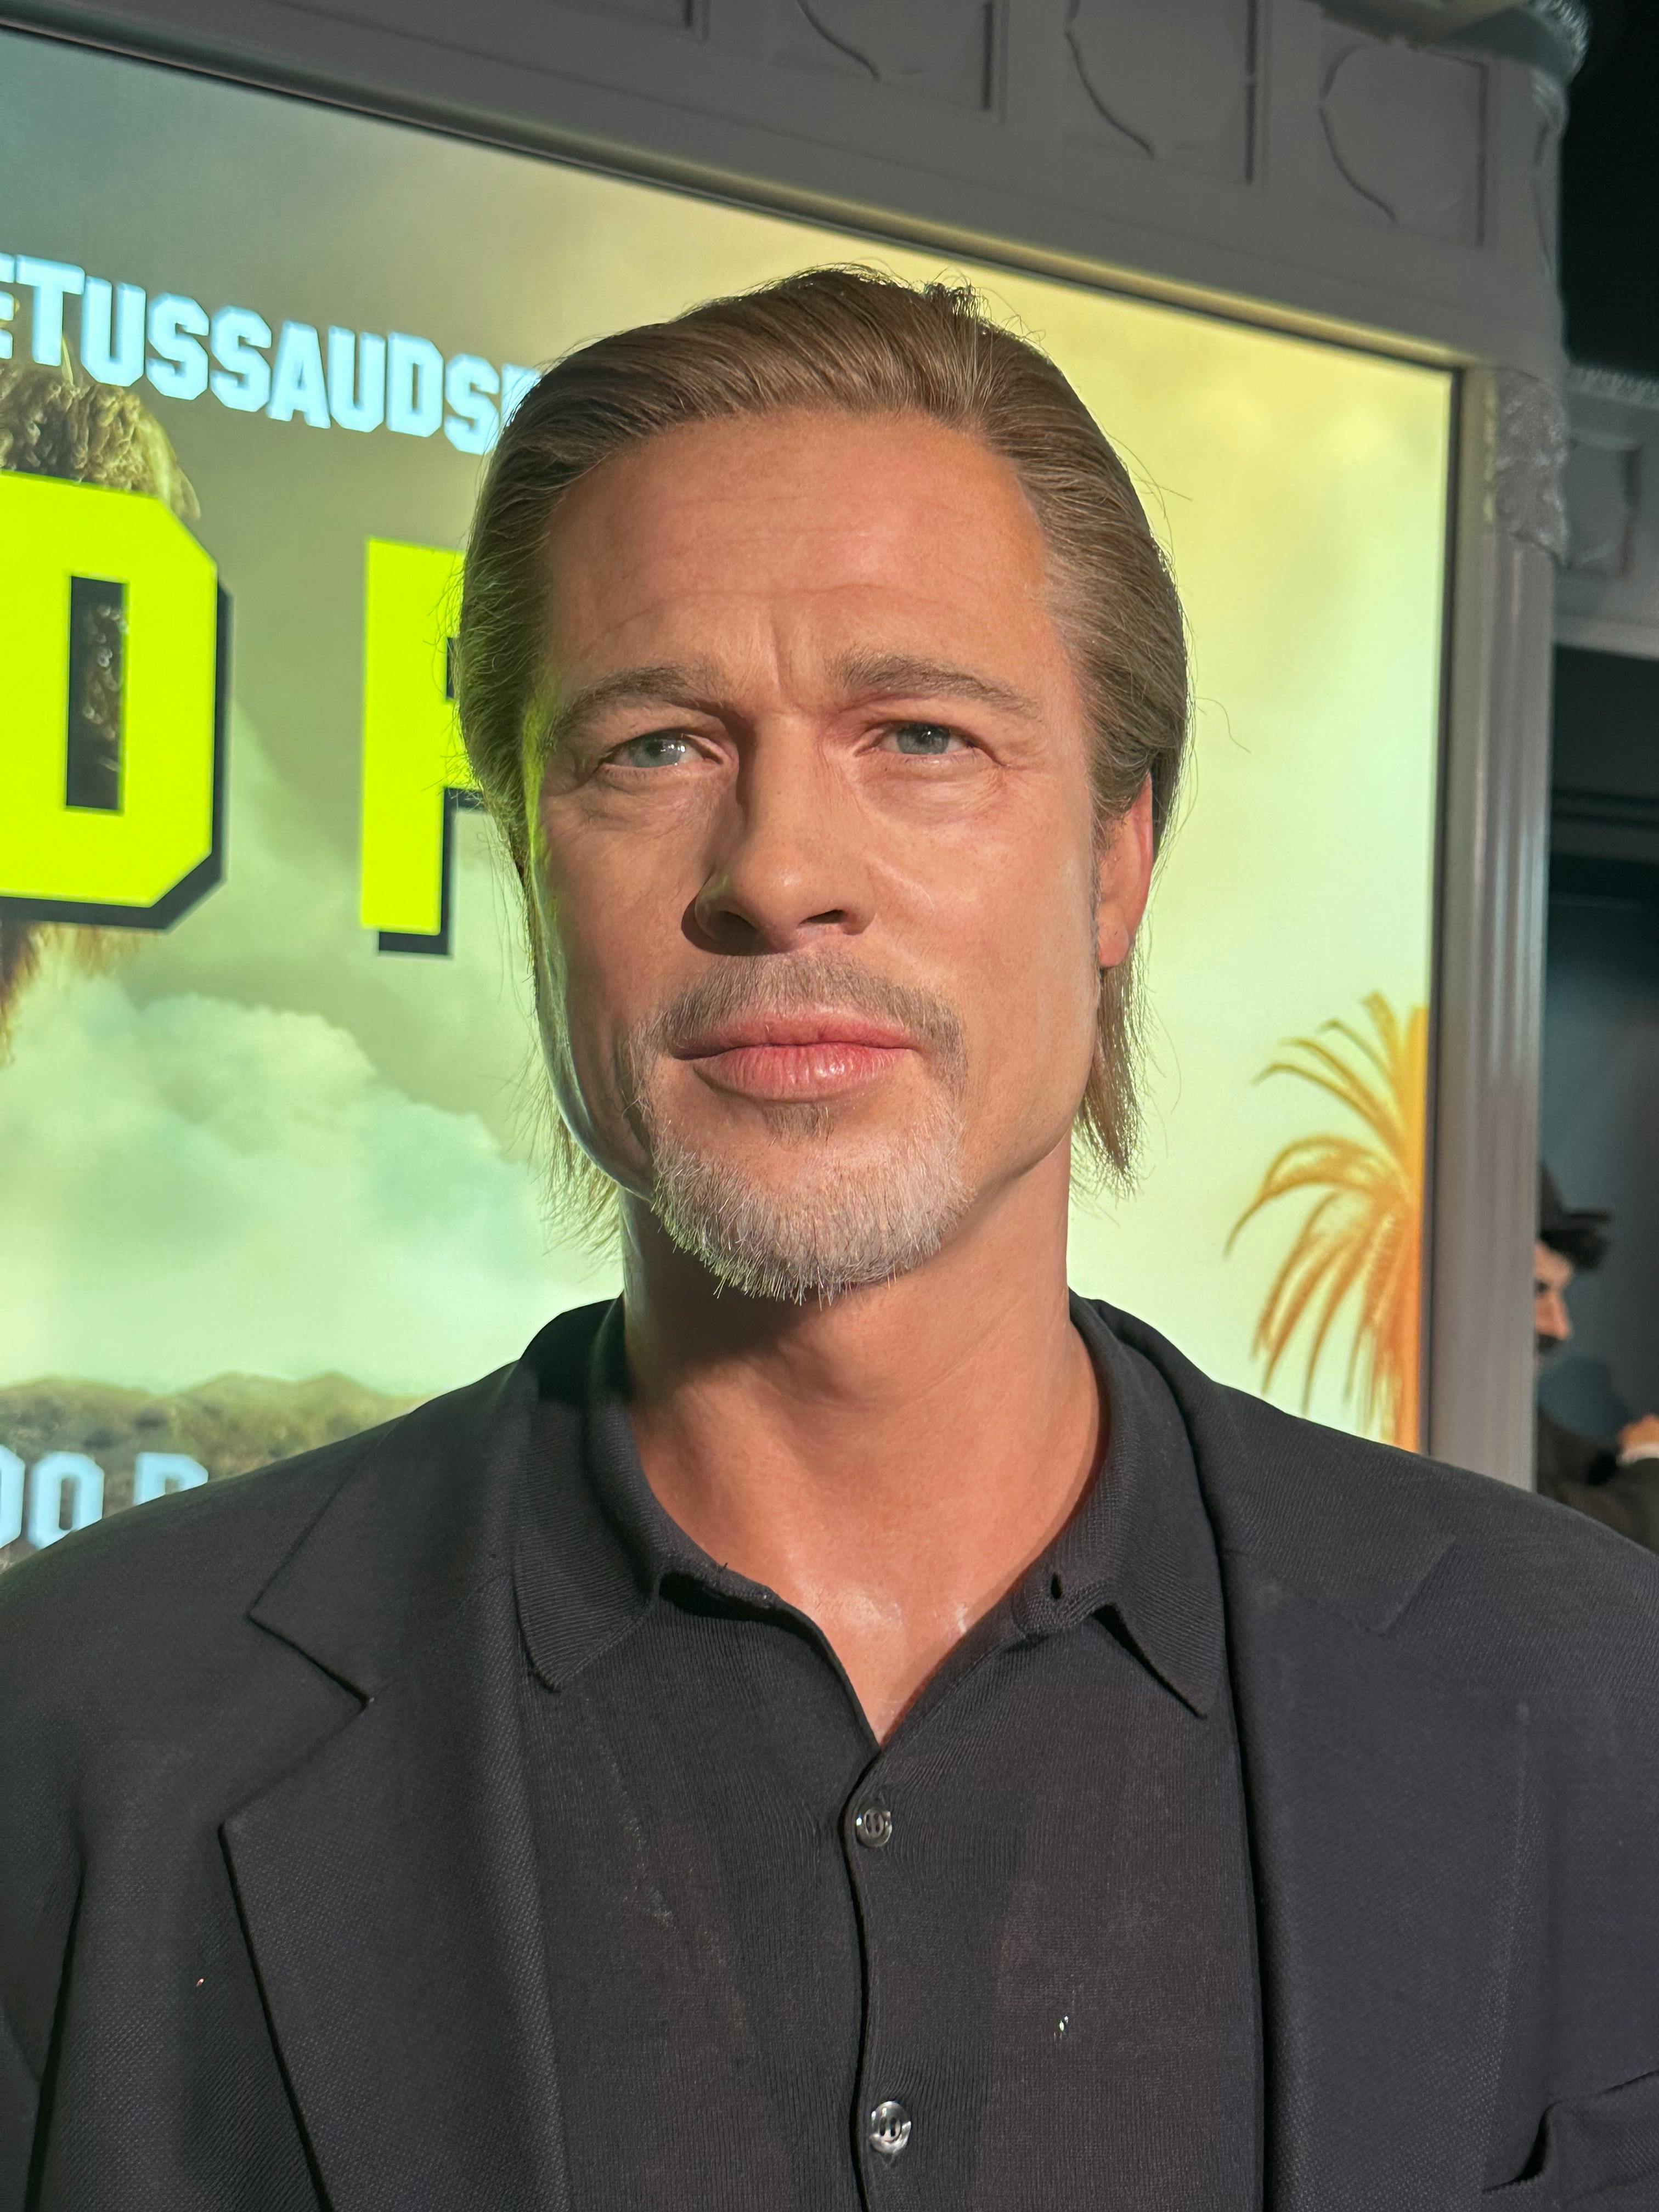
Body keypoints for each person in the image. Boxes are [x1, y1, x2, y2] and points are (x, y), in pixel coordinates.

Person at [4, 269, 1659, 2210]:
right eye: (652, 748)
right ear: (530, 859)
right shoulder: (84, 1732)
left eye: (921, 736)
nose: (779, 870)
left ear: (1116, 860)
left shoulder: (1589, 1698)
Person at [1533, 1164, 1659, 1548]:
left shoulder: (1521, 1422)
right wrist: (1648, 1456)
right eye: (1537, 1290)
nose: (1560, 1327)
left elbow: (1574, 1460)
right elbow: (1553, 1527)